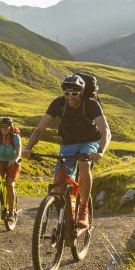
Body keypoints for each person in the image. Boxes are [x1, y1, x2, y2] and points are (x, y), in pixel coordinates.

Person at [22, 74, 111, 227]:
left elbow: (106, 131)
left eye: (74, 93)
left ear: (82, 92)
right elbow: (40, 129)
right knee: (57, 185)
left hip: (89, 142)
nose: (70, 97)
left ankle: (83, 210)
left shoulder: (91, 104)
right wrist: (28, 147)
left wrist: (101, 151)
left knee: (84, 164)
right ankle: (65, 222)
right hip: (68, 144)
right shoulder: (58, 103)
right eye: (67, 93)